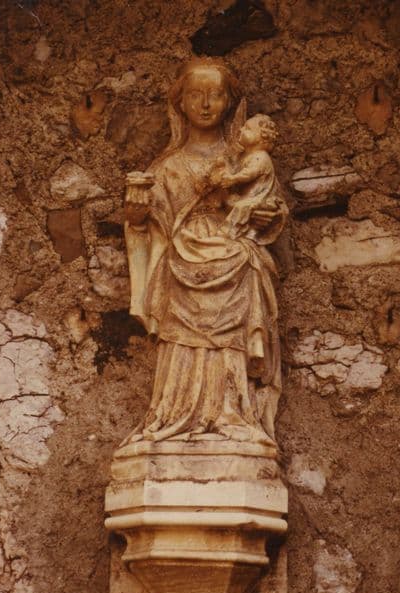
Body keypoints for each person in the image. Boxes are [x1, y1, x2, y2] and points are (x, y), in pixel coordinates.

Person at [122, 57, 288, 446]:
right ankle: (175, 411)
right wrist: (136, 215)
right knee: (180, 331)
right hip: (181, 260)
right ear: (180, 102)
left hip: (234, 257)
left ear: (230, 102)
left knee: (247, 267)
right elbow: (149, 228)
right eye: (196, 95)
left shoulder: (247, 160)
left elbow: (270, 206)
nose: (206, 104)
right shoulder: (166, 167)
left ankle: (233, 413)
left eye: (215, 95)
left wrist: (267, 217)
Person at [208, 113, 282, 241]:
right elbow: (235, 168)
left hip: (260, 198)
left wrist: (233, 179)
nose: (241, 129)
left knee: (241, 206)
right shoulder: (244, 156)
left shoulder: (261, 157)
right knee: (232, 200)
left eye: (247, 128)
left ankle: (229, 231)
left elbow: (249, 173)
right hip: (249, 196)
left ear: (260, 137)